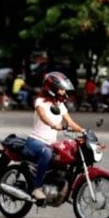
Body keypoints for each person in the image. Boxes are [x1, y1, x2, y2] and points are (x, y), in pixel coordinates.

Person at [24, 72, 84, 200]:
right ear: (52, 89)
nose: (63, 92)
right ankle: (37, 188)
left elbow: (70, 122)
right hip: (35, 141)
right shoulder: (40, 101)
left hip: (51, 143)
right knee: (46, 153)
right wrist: (53, 124)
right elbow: (43, 116)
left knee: (68, 155)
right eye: (61, 89)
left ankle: (60, 185)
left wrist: (83, 131)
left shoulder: (60, 105)